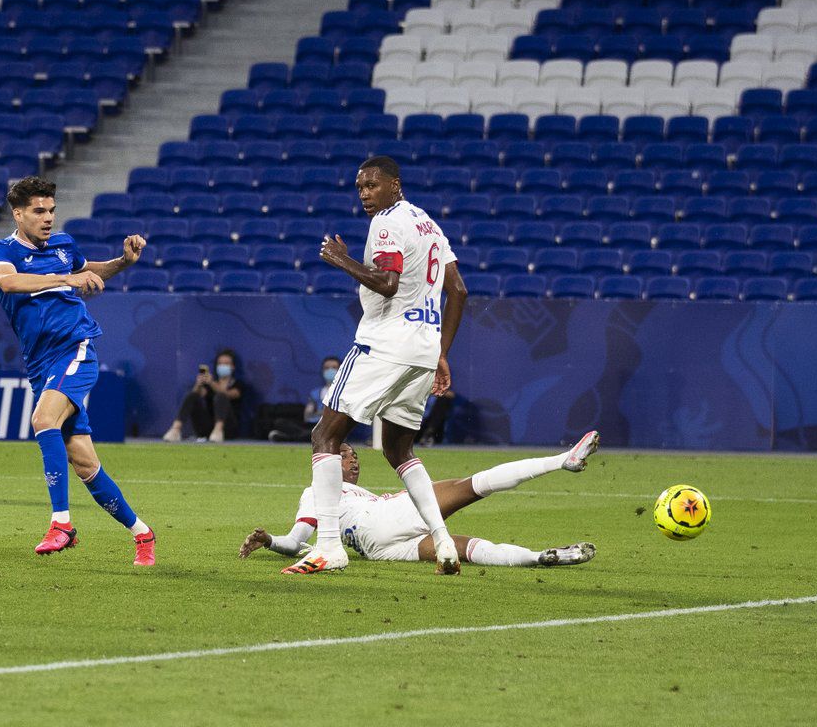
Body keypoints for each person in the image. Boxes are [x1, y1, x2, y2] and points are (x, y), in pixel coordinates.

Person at [283, 155, 468, 575]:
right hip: (421, 349)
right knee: (398, 448)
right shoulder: (429, 225)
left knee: (325, 434)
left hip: (384, 344)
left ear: (394, 185)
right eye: (360, 187)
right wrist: (442, 351)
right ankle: (443, 543)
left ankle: (329, 546)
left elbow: (387, 284)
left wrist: (341, 260)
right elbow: (458, 290)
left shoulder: (386, 223)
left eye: (372, 185)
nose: (365, 193)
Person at [0, 176, 156, 562]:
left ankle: (61, 523)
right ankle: (142, 533)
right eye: (38, 211)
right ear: (18, 214)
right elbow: (9, 283)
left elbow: (89, 271)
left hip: (75, 348)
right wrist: (66, 277)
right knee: (84, 463)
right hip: (40, 362)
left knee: (43, 420)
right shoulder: (1, 251)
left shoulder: (63, 244)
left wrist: (122, 262)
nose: (48, 218)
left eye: (51, 210)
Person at [240, 433, 599, 567]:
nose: (353, 460)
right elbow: (294, 542)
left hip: (378, 550)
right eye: (346, 455)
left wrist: (272, 542)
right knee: (472, 485)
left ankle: (539, 558)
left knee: (463, 547)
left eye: (353, 456)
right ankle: (560, 461)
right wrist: (272, 541)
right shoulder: (315, 491)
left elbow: (296, 543)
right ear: (329, 464)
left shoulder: (356, 494)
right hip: (381, 523)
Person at [162, 349, 245, 442]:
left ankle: (218, 429)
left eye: (226, 363)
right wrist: (198, 384)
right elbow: (195, 396)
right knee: (192, 394)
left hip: (228, 429)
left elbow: (229, 394)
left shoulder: (238, 384)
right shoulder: (209, 386)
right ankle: (175, 429)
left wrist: (212, 383)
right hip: (207, 429)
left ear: (233, 366)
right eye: (220, 363)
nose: (222, 366)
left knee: (220, 396)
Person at [268, 355, 341, 442]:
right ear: (322, 371)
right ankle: (302, 436)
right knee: (280, 422)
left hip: (329, 427)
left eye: (334, 368)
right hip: (312, 424)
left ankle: (288, 438)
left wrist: (319, 413)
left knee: (324, 431)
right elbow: (308, 416)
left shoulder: (344, 392)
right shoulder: (315, 393)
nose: (330, 371)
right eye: (327, 368)